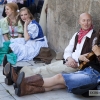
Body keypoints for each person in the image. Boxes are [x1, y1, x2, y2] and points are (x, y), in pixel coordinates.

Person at [3, 13, 97, 84]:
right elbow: (68, 49)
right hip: (69, 61)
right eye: (83, 20)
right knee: (47, 67)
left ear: (91, 21)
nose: (86, 23)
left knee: (46, 71)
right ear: (79, 22)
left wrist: (74, 61)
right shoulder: (77, 34)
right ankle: (14, 75)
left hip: (79, 66)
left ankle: (16, 71)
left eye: (88, 20)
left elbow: (90, 56)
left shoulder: (94, 37)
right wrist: (69, 58)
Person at [11, 30, 100, 96]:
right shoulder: (81, 36)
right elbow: (89, 60)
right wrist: (81, 58)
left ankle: (23, 82)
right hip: (86, 70)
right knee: (57, 85)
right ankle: (24, 90)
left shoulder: (93, 38)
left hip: (95, 76)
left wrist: (98, 54)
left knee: (59, 77)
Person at [0, 3, 23, 71]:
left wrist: (15, 43)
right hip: (8, 40)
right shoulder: (4, 21)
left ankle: (7, 58)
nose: (5, 11)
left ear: (13, 10)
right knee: (4, 48)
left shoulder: (19, 20)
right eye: (5, 9)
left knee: (17, 51)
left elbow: (20, 34)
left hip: (19, 40)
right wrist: (9, 44)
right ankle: (5, 58)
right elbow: (5, 34)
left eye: (7, 9)